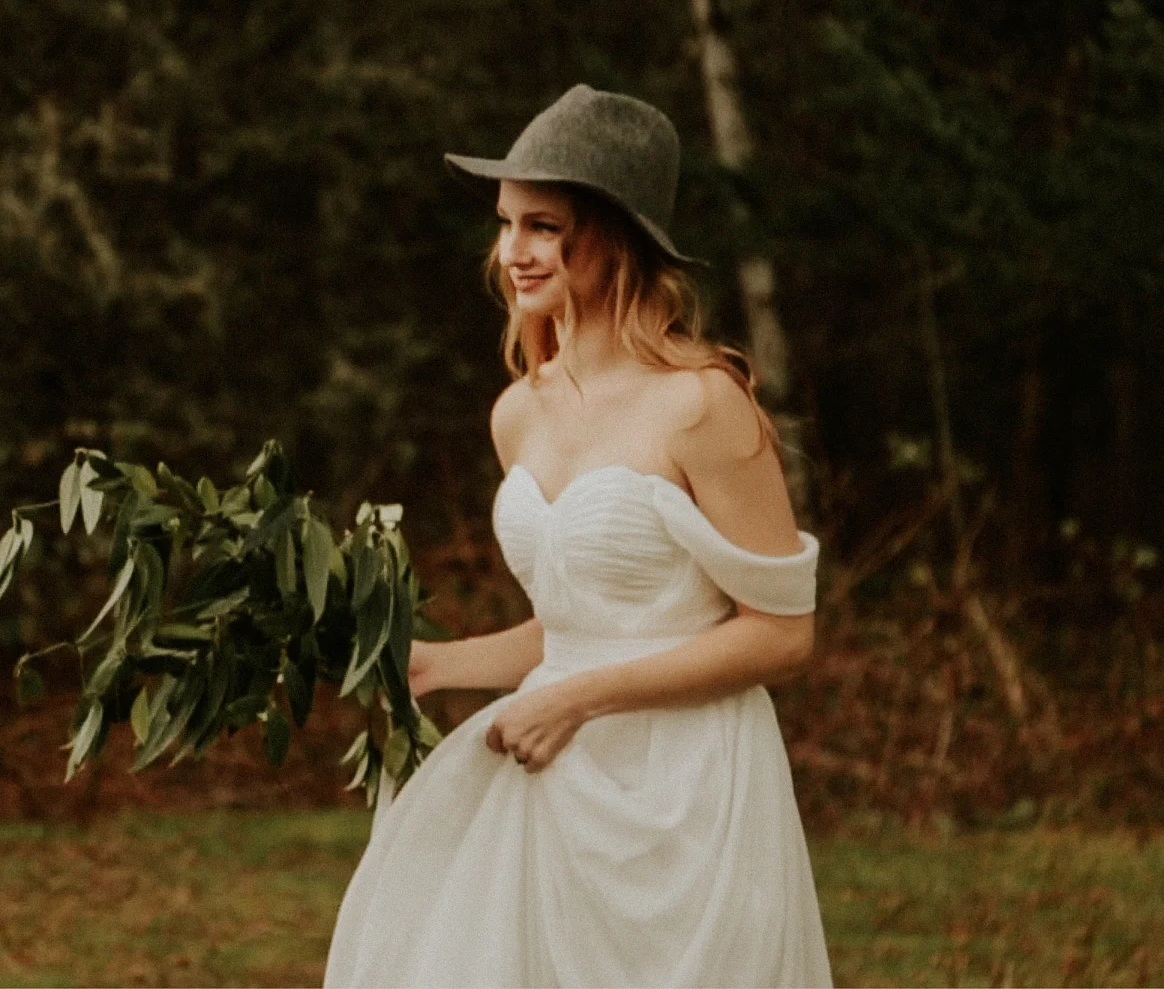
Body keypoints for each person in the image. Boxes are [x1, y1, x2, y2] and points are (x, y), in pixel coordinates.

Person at [323, 85, 833, 988]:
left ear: (618, 234)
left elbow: (781, 633)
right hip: (553, 765)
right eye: (507, 224)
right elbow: (578, 622)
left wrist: (577, 700)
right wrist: (438, 665)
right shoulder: (519, 413)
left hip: (686, 789)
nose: (513, 252)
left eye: (544, 226)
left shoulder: (704, 403)